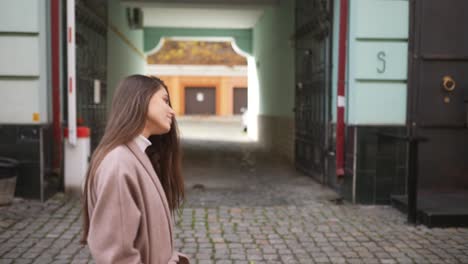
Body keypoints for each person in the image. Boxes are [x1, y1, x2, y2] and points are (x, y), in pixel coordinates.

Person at [80, 75, 189, 264]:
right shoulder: (119, 163)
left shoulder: (135, 157)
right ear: (141, 99)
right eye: (164, 100)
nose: (171, 111)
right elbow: (117, 256)